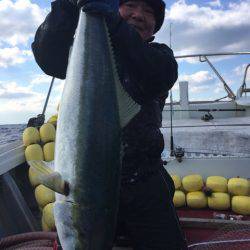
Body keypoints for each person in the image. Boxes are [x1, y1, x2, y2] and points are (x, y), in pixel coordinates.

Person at [32, 0, 187, 249]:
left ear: (154, 29)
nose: (139, 15)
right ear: (114, 8)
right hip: (92, 184)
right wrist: (69, 6)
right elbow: (48, 56)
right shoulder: (79, 51)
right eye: (131, 6)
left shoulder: (158, 56)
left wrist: (115, 25)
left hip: (144, 180)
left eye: (148, 12)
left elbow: (157, 73)